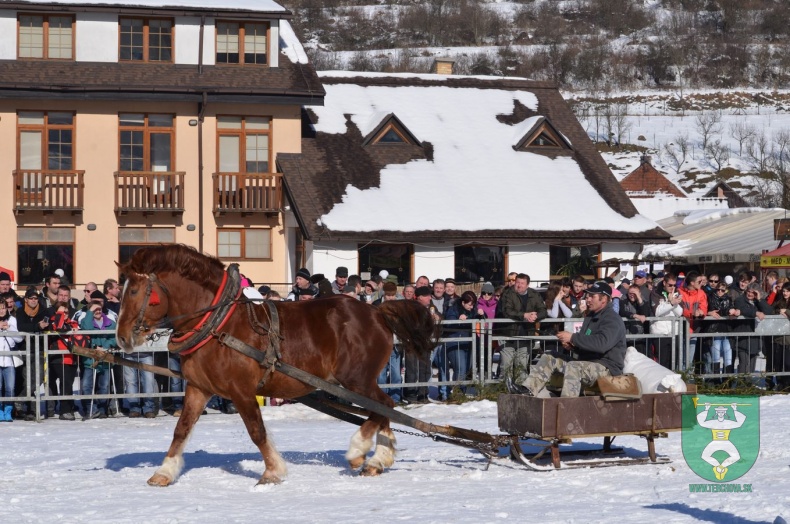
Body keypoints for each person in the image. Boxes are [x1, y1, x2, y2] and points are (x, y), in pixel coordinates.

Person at [509, 281, 626, 398]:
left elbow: (601, 344)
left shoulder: (612, 319)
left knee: (574, 367)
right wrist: (573, 346)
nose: (588, 299)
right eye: (588, 296)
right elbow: (588, 345)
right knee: (549, 357)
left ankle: (567, 406)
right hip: (588, 363)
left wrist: (573, 337)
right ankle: (528, 390)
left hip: (606, 368)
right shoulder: (590, 317)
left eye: (592, 296)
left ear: (604, 299)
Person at [497, 273, 547, 385]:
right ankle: (504, 390)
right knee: (506, 366)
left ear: (527, 285)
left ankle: (520, 390)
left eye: (522, 283)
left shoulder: (534, 294)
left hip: (525, 336)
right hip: (508, 335)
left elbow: (543, 310)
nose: (519, 285)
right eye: (517, 282)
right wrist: (524, 315)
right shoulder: (508, 293)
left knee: (522, 367)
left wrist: (535, 316)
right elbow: (507, 311)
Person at [78, 291, 117, 420]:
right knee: (87, 386)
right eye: (95, 310)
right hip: (90, 359)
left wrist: (105, 346)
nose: (98, 311)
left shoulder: (110, 323)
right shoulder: (86, 320)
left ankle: (102, 409)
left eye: (99, 309)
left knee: (104, 386)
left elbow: (115, 339)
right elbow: (86, 328)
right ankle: (90, 409)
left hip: (105, 359)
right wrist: (90, 311)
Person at [439, 291, 482, 399]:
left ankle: (461, 390)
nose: (471, 307)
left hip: (469, 343)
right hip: (455, 343)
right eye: (469, 304)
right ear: (463, 303)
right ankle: (457, 392)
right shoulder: (453, 309)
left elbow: (479, 321)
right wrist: (458, 320)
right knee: (460, 368)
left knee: (467, 368)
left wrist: (482, 315)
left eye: (473, 304)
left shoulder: (474, 309)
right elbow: (448, 324)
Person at [14, 288, 49, 420]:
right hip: (26, 350)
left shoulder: (43, 310)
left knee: (38, 378)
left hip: (39, 349)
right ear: (26, 299)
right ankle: (31, 410)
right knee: (27, 381)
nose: (34, 301)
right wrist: (37, 327)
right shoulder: (21, 312)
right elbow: (21, 327)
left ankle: (20, 399)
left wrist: (41, 326)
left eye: (36, 298)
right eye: (31, 298)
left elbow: (47, 325)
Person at [47, 286, 80, 420]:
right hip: (58, 356)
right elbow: (57, 327)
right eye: (61, 295)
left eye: (66, 311)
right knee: (63, 383)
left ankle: (69, 406)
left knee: (69, 383)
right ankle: (63, 410)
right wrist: (60, 314)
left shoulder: (72, 318)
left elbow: (77, 331)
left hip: (71, 357)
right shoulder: (53, 316)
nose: (65, 313)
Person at [733, 284, 773, 375]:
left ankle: (749, 384)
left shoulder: (758, 302)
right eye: (749, 291)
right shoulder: (740, 300)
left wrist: (759, 299)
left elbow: (769, 311)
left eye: (753, 292)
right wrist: (756, 313)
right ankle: (742, 384)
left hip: (755, 337)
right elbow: (742, 308)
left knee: (752, 364)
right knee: (744, 363)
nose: (750, 294)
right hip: (743, 335)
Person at [374, 283, 403, 403]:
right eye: (388, 295)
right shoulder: (376, 305)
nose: (390, 298)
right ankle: (382, 397)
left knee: (395, 372)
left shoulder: (400, 306)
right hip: (379, 345)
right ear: (383, 294)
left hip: (394, 344)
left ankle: (395, 397)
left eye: (393, 295)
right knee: (380, 374)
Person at [403, 286, 433, 403]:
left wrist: (436, 318)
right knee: (412, 369)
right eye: (427, 296)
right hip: (412, 342)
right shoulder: (411, 308)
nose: (430, 298)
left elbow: (440, 317)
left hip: (425, 343)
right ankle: (410, 395)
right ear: (419, 297)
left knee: (425, 369)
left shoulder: (431, 307)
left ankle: (423, 395)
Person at [649, 274, 683, 370]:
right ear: (664, 283)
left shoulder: (676, 292)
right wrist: (671, 303)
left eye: (674, 285)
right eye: (670, 285)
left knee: (673, 362)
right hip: (660, 333)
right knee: (662, 363)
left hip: (673, 333)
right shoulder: (655, 292)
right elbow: (657, 312)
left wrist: (673, 303)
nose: (672, 287)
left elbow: (680, 313)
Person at [703, 281, 735, 376]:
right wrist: (709, 313)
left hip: (726, 330)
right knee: (716, 357)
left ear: (726, 291)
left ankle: (727, 381)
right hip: (714, 330)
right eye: (718, 289)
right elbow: (716, 309)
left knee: (728, 357)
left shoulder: (729, 299)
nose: (720, 292)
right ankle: (716, 380)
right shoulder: (710, 298)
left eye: (722, 290)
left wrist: (733, 310)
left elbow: (730, 309)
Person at [0, 300, 24, 421]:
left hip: (9, 360)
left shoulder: (12, 320)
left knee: (10, 387)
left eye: (3, 308)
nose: (1, 310)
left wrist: (9, 329)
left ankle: (8, 410)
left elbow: (19, 338)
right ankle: (0, 410)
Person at [620, 284, 651, 357]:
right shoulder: (623, 299)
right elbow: (622, 312)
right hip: (626, 337)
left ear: (639, 293)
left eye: (635, 293)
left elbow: (645, 313)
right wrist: (635, 315)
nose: (632, 295)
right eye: (630, 293)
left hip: (639, 337)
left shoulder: (643, 300)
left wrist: (639, 299)